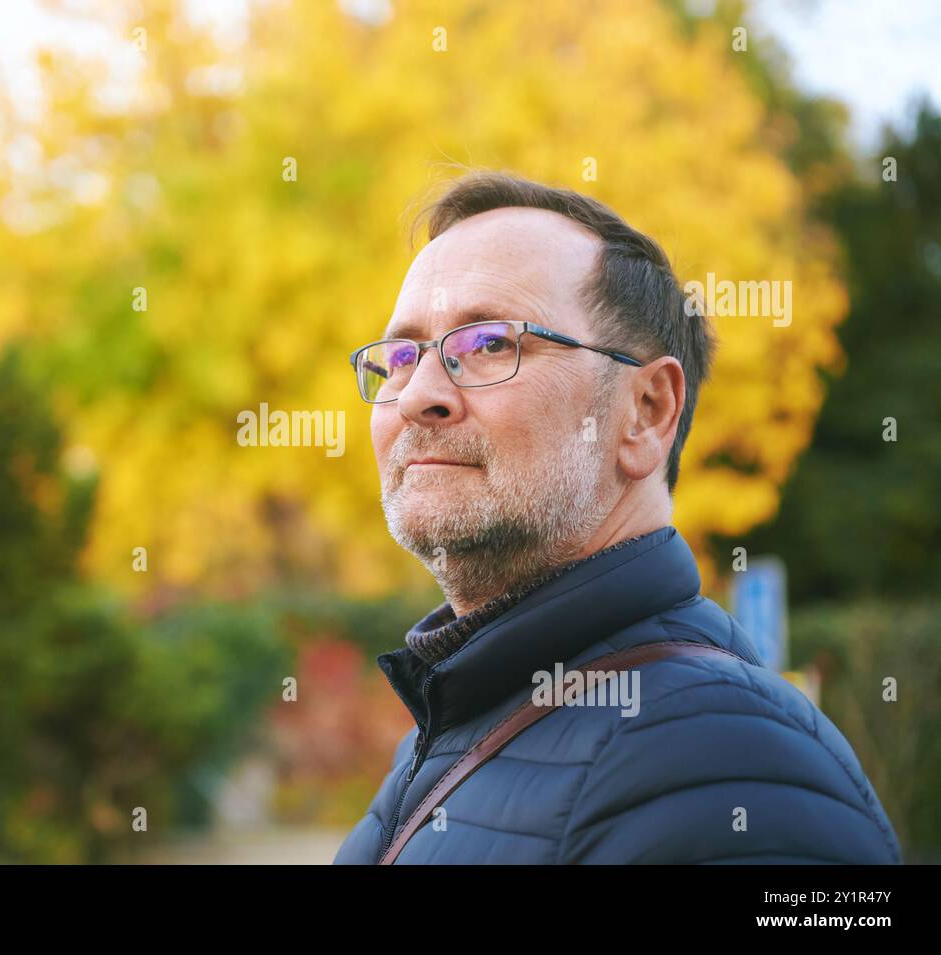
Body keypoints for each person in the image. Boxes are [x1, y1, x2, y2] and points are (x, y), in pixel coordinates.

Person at [332, 171, 901, 864]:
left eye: (488, 344)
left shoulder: (720, 757)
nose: (419, 393)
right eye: (399, 356)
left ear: (646, 411)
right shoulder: (463, 722)